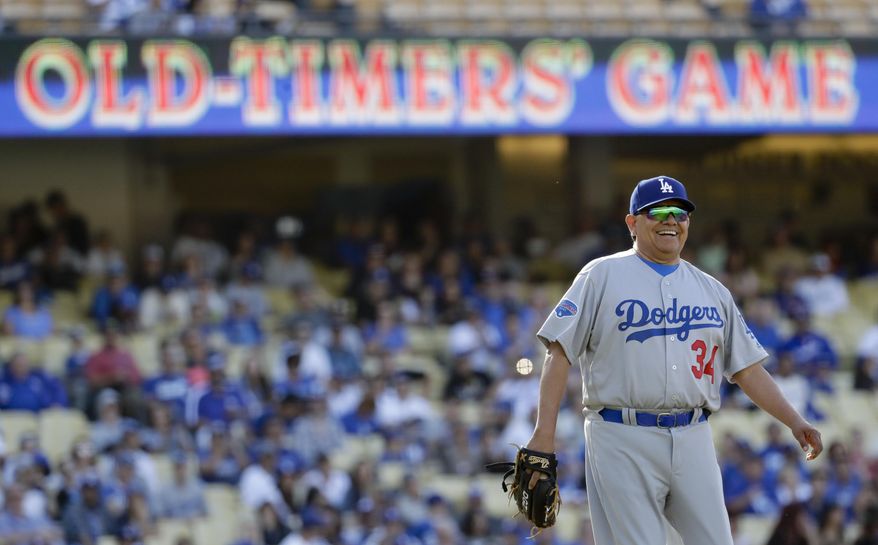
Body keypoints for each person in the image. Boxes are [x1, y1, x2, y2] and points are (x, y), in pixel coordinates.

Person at [525, 175, 823, 545]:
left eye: (679, 214)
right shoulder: (600, 275)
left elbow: (747, 369)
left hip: (693, 434)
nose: (671, 221)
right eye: (658, 212)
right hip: (620, 434)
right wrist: (544, 433)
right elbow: (559, 352)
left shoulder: (712, 290)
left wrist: (794, 421)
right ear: (633, 223)